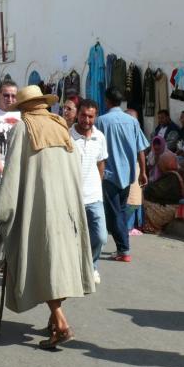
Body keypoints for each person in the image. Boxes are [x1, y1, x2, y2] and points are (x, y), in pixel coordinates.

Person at [0, 85, 94, 349]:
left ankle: (61, 323)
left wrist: (3, 213)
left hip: (38, 208)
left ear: (25, 107)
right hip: (67, 205)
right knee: (58, 262)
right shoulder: (61, 126)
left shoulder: (23, 128)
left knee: (43, 262)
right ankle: (54, 319)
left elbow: (12, 173)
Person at [95, 87, 149, 263]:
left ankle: (124, 249)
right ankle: (120, 246)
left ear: (107, 101)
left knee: (115, 213)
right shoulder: (132, 121)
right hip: (127, 174)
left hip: (108, 175)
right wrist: (143, 171)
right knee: (119, 210)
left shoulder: (101, 121)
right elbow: (141, 148)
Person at [70, 99, 109, 285]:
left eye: (91, 116)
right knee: (73, 237)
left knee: (101, 235)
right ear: (77, 114)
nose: (86, 120)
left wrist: (97, 185)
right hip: (72, 197)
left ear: (96, 117)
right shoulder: (67, 136)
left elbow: (101, 163)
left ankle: (91, 266)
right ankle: (75, 268)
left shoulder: (99, 137)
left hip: (94, 197)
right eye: (83, 115)